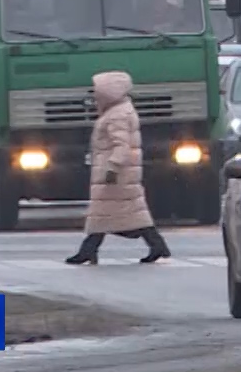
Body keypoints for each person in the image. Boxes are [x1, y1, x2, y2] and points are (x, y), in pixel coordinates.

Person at [66, 70, 171, 265]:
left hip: (116, 173)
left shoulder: (116, 115)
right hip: (120, 172)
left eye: (98, 91)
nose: (95, 96)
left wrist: (112, 167)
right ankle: (156, 246)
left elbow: (121, 145)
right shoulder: (120, 111)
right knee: (125, 212)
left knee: (106, 213)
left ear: (108, 92)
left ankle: (88, 250)